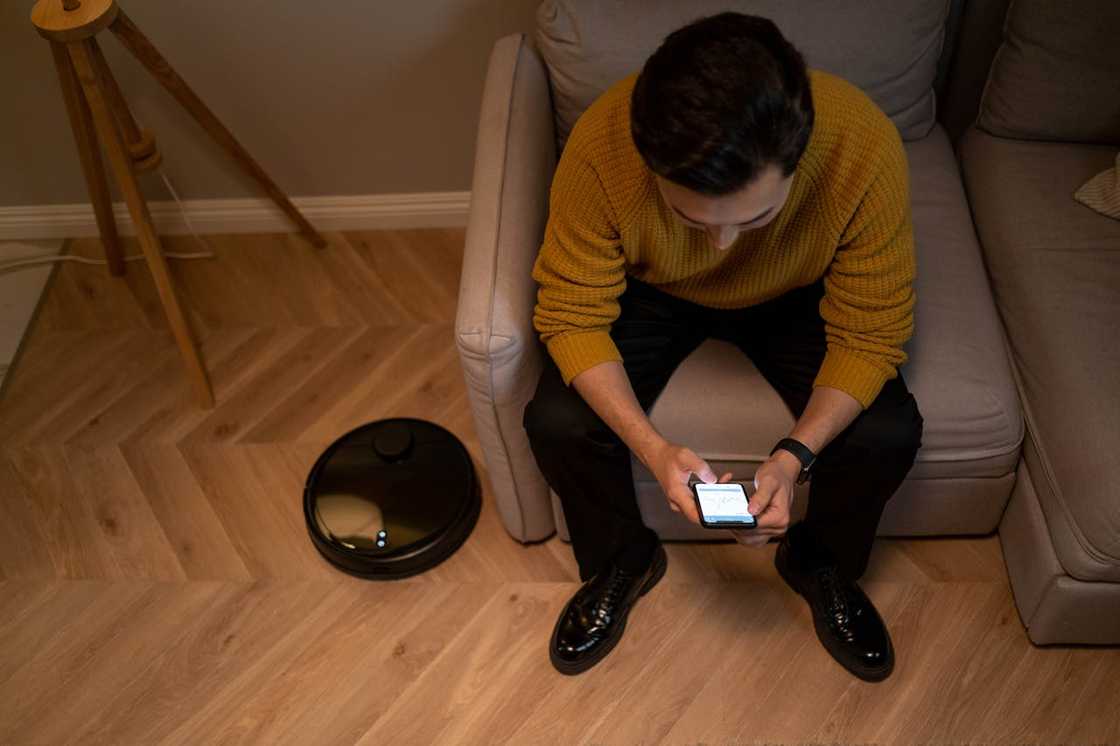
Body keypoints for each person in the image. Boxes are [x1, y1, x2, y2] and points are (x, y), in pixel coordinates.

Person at [522, 12, 923, 682]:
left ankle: (818, 561)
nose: (721, 247)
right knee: (557, 420)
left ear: (799, 161)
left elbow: (873, 329)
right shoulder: (600, 146)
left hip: (799, 289)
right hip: (651, 289)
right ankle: (624, 559)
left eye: (755, 217)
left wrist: (794, 458)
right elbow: (569, 314)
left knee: (887, 430)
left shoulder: (864, 147)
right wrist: (653, 449)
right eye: (692, 217)